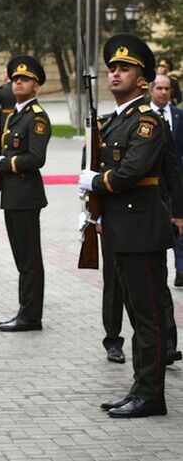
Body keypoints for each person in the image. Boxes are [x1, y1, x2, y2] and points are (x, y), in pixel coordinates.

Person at [79, 33, 173, 418]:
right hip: (119, 230)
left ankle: (151, 395)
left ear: (143, 79)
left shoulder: (147, 122)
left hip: (141, 229)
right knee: (135, 312)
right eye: (112, 68)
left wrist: (95, 182)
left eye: (125, 68)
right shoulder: (113, 122)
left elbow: (131, 171)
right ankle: (140, 386)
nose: (115, 73)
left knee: (148, 316)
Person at [0, 56, 51, 332]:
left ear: (36, 85)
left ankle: (31, 315)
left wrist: (3, 164)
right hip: (13, 195)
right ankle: (26, 310)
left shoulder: (36, 117)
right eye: (15, 79)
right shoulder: (13, 115)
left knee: (29, 259)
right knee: (22, 258)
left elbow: (36, 158)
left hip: (26, 196)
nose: (18, 82)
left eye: (24, 79)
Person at [149, 75, 183, 365]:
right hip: (144, 207)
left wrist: (179, 211)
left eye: (166, 88)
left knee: (159, 282)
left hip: (166, 200)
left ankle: (168, 345)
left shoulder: (168, 120)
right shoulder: (144, 119)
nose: (162, 93)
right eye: (158, 88)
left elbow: (173, 167)